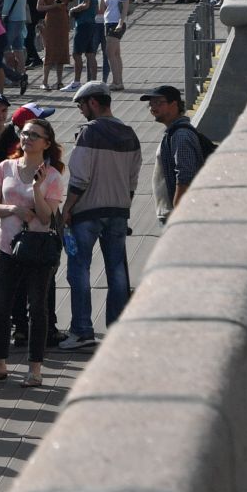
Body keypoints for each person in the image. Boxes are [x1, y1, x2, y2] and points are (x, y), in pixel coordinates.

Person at [0, 118, 65, 387]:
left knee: (37, 308)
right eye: (25, 133)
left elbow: (44, 217)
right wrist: (14, 210)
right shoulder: (5, 167)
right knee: (1, 305)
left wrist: (37, 190)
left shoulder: (52, 176)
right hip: (6, 247)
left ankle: (35, 369)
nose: (27, 138)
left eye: (34, 135)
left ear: (46, 143)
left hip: (37, 250)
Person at [61, 83, 140, 349]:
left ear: (93, 103)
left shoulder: (88, 133)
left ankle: (82, 330)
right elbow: (132, 179)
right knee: (117, 269)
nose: (81, 111)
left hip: (88, 211)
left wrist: (67, 208)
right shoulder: (129, 134)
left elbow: (80, 177)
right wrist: (123, 202)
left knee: (79, 269)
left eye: (81, 105)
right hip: (118, 210)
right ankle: (117, 328)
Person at [142, 84, 205, 224]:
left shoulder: (180, 135)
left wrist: (178, 212)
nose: (153, 107)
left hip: (177, 215)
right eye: (151, 104)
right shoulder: (172, 133)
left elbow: (185, 176)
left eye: (159, 102)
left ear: (174, 104)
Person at [36, 0, 72, 90]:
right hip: (51, 21)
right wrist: (53, 6)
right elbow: (39, 7)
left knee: (62, 50)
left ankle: (59, 81)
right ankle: (45, 81)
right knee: (50, 50)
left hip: (62, 22)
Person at [69, 0, 102, 89]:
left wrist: (73, 9)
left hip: (83, 23)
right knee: (90, 54)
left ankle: (76, 82)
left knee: (76, 54)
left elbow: (86, 4)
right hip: (91, 23)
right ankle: (93, 82)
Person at [98, 0, 131, 89]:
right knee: (116, 53)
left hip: (116, 23)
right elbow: (102, 9)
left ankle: (116, 81)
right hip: (108, 22)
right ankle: (118, 81)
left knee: (110, 53)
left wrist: (120, 23)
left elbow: (125, 7)